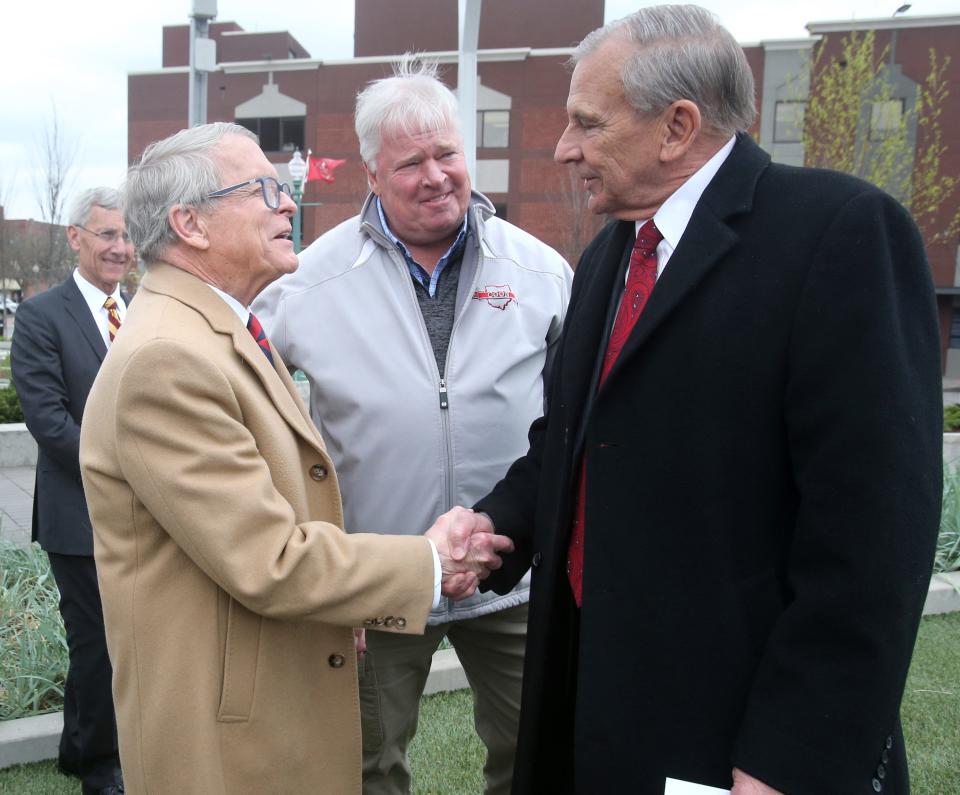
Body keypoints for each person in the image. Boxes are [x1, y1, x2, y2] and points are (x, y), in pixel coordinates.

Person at [461, 6, 942, 794]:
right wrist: (494, 524)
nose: (564, 148)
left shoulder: (838, 234)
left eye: (587, 122)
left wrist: (794, 752)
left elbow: (872, 537)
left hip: (737, 728)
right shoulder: (609, 254)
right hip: (593, 702)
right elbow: (570, 443)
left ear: (677, 126)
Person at [78, 122, 512, 795]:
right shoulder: (167, 357)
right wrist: (428, 561)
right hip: (228, 740)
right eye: (265, 189)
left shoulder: (217, 328)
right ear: (189, 223)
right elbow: (267, 557)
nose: (288, 204)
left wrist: (344, 604)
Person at [254, 57, 572, 795]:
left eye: (447, 154)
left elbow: (573, 420)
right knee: (365, 764)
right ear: (371, 174)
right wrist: (325, 564)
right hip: (376, 580)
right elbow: (251, 408)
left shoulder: (541, 271)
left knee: (536, 756)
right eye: (410, 163)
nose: (435, 176)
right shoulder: (307, 282)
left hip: (511, 577)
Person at [12, 187, 132, 795]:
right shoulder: (40, 316)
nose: (119, 248)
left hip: (144, 515)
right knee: (97, 640)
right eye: (106, 234)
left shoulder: (141, 311)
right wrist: (128, 470)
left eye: (126, 235)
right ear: (75, 236)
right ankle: (101, 768)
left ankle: (74, 745)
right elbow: (48, 420)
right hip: (77, 514)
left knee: (116, 637)